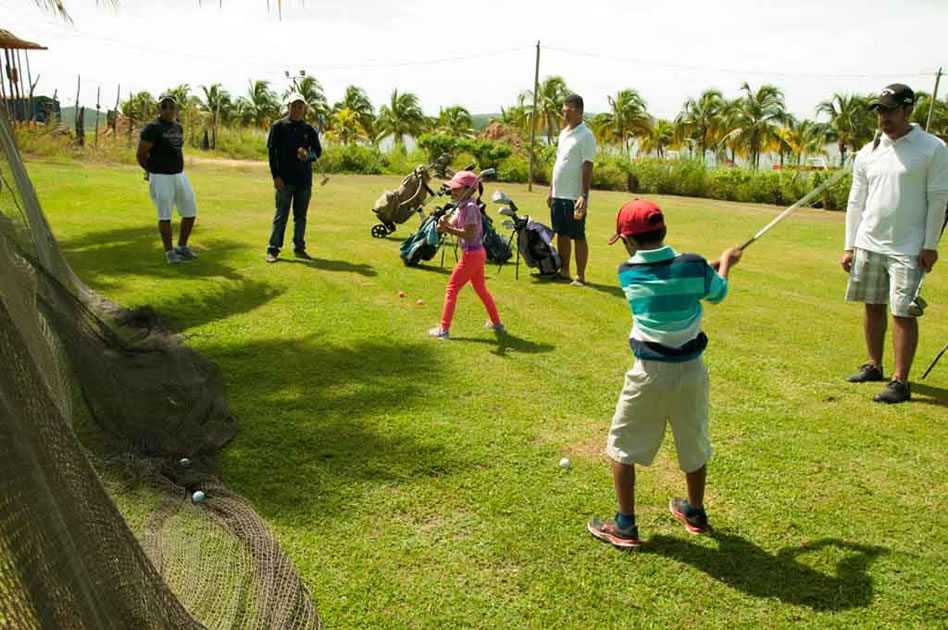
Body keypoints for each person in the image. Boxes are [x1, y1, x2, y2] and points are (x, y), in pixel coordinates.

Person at [587, 199, 741, 549]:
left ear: (627, 241)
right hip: (691, 373)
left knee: (622, 447)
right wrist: (726, 263)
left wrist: (708, 268)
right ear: (664, 231)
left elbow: (673, 280)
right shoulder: (693, 266)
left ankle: (626, 525)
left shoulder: (628, 272)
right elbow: (717, 292)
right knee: (693, 442)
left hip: (648, 375)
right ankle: (696, 512)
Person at [841, 83, 948, 404]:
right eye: (880, 111)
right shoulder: (868, 151)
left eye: (890, 110)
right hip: (868, 241)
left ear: (908, 110)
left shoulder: (933, 148)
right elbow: (855, 201)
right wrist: (849, 245)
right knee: (872, 305)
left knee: (902, 312)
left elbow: (939, 197)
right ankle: (874, 365)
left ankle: (900, 382)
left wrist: (930, 245)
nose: (884, 117)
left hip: (909, 247)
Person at [427, 171, 504, 340]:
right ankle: (497, 323)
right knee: (481, 289)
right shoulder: (461, 206)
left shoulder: (470, 208)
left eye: (457, 189)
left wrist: (449, 229)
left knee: (451, 289)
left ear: (469, 191)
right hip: (475, 254)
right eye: (452, 189)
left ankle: (444, 329)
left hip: (472, 254)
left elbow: (468, 234)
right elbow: (451, 225)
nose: (453, 191)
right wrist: (443, 225)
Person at [136, 93, 198, 265]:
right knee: (165, 215)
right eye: (165, 106)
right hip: (161, 177)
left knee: (190, 211)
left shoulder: (178, 127)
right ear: (159, 108)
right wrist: (151, 171)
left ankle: (182, 246)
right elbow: (141, 154)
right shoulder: (152, 128)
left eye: (172, 106)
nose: (168, 110)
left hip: (179, 174)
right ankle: (169, 252)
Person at [266, 92, 322, 263]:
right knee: (281, 215)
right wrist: (276, 176)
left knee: (301, 216)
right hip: (284, 180)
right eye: (294, 106)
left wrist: (308, 156)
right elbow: (272, 153)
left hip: (304, 180)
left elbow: (317, 152)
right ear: (288, 107)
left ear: (303, 108)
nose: (297, 109)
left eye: (300, 106)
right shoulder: (279, 126)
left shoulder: (308, 129)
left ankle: (299, 248)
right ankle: (273, 250)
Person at [548, 93, 596, 286]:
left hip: (575, 196)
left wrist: (583, 195)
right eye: (563, 111)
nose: (564, 115)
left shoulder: (586, 135)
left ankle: (580, 275)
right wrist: (551, 189)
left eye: (568, 111)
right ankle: (564, 270)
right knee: (561, 233)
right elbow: (559, 162)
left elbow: (587, 166)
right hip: (559, 193)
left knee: (578, 234)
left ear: (579, 112)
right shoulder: (563, 133)